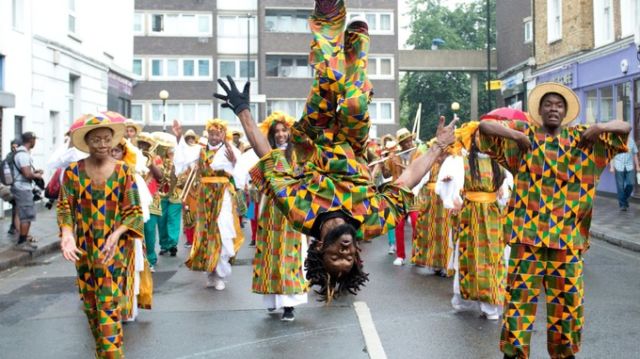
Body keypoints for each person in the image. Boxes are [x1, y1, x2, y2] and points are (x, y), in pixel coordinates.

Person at [214, 0, 457, 301]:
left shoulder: (298, 213)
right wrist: (438, 146)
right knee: (356, 103)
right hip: (351, 143)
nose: (345, 252)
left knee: (329, 80)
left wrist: (242, 111)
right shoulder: (373, 221)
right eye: (350, 258)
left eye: (336, 258)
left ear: (319, 248)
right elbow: (408, 178)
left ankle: (328, 21)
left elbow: (269, 158)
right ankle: (356, 57)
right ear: (358, 253)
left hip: (311, 141)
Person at [477, 83, 630, 359]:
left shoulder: (584, 140)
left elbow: (625, 128)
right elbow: (484, 128)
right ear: (539, 109)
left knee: (568, 307)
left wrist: (599, 127)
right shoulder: (524, 140)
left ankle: (564, 354)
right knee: (518, 304)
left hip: (568, 241)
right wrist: (514, 134)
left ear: (566, 111)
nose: (553, 109)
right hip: (527, 239)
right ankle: (513, 354)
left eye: (559, 105)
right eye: (548, 104)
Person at [57, 114, 143, 358]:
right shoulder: (73, 172)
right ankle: (103, 353)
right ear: (87, 141)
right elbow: (65, 207)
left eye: (107, 139)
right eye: (97, 140)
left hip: (112, 251)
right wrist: (67, 234)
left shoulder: (125, 172)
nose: (103, 144)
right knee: (91, 306)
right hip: (84, 251)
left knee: (108, 305)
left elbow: (134, 211)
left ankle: (113, 355)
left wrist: (117, 234)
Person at [436, 123, 510, 321]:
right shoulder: (462, 162)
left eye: (487, 137)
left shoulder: (500, 163)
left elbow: (507, 190)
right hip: (469, 216)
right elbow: (452, 189)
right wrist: (454, 200)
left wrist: (502, 195)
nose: (482, 140)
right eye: (479, 136)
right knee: (468, 259)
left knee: (492, 261)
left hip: (493, 217)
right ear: (473, 139)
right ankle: (465, 300)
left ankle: (491, 305)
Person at [252, 111, 308, 322]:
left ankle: (289, 305)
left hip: (292, 209)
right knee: (271, 255)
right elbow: (258, 181)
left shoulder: (299, 155)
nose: (281, 134)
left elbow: (309, 179)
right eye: (276, 131)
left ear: (290, 132)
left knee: (290, 255)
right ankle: (273, 301)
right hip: (271, 210)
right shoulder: (268, 155)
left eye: (284, 130)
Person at [184, 118, 242, 290]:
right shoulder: (200, 151)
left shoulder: (230, 150)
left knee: (221, 230)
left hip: (222, 193)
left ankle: (221, 274)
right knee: (205, 233)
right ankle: (210, 272)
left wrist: (234, 162)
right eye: (211, 133)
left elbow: (239, 172)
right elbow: (183, 163)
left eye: (218, 133)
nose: (214, 136)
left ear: (224, 134)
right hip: (204, 195)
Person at [383, 128, 418, 266]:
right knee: (398, 225)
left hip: (412, 192)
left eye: (410, 140)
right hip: (397, 194)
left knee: (416, 222)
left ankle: (416, 255)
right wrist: (384, 162)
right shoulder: (394, 156)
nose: (409, 143)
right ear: (401, 144)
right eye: (405, 142)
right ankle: (400, 256)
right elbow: (386, 175)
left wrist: (401, 165)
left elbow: (416, 171)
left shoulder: (417, 153)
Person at [137, 132, 164, 271]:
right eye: (140, 144)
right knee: (136, 230)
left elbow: (161, 177)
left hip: (152, 200)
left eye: (145, 145)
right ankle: (139, 259)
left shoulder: (156, 158)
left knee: (149, 230)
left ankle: (151, 260)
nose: (142, 147)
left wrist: (151, 163)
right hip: (135, 199)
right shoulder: (131, 157)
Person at [12, 132, 43, 250]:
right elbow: (27, 174)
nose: (35, 142)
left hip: (20, 187)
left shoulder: (21, 153)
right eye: (35, 140)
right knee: (26, 216)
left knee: (23, 214)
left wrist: (34, 173)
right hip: (22, 188)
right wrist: (37, 176)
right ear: (31, 140)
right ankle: (22, 243)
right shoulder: (23, 155)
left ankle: (23, 241)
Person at [610, 136, 638, 211]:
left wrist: (638, 166)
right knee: (620, 187)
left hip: (629, 166)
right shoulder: (615, 142)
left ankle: (624, 200)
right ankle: (623, 205)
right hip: (619, 166)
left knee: (631, 184)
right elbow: (611, 155)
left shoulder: (631, 141)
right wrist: (612, 167)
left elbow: (635, 154)